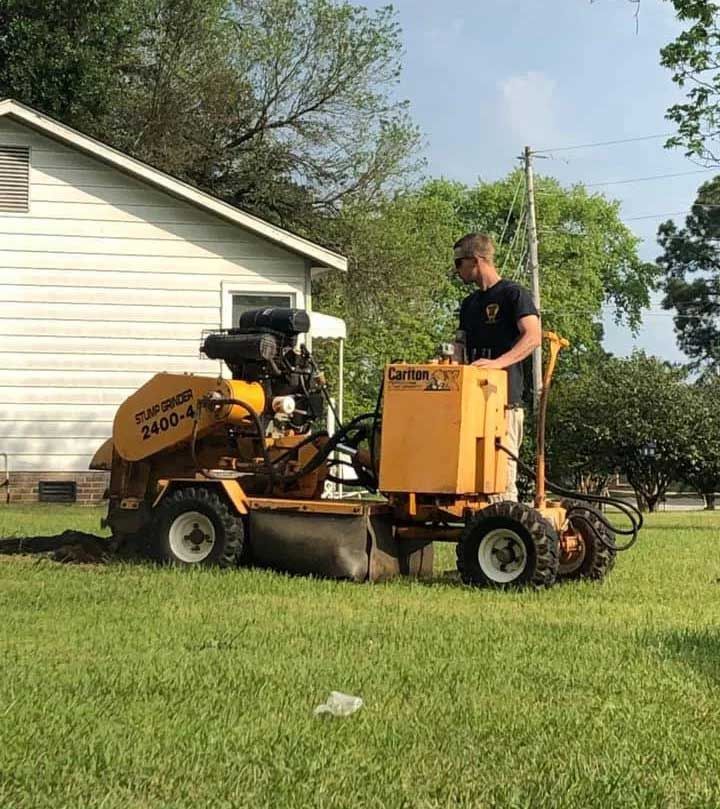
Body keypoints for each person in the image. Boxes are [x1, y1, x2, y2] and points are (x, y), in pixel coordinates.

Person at [453, 232, 541, 501]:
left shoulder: (513, 294)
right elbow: (460, 346)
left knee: (500, 483)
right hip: (471, 406)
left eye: (459, 263)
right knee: (471, 480)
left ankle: (507, 537)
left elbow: (533, 336)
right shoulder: (469, 305)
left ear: (477, 260)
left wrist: (496, 364)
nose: (456, 270)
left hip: (503, 405)